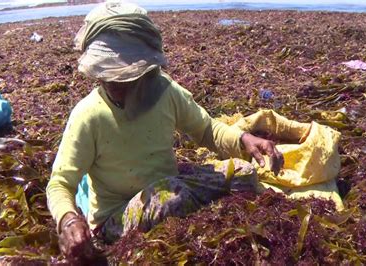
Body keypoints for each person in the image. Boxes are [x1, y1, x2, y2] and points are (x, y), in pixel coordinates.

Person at [46, 1, 284, 261]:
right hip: (117, 217)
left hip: (170, 187)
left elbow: (206, 129)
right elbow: (60, 184)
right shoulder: (88, 115)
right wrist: (68, 220)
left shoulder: (165, 92)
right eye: (107, 76)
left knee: (244, 173)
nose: (115, 84)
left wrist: (243, 138)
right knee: (168, 198)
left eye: (125, 76)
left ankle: (204, 214)